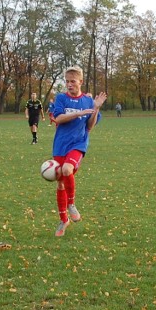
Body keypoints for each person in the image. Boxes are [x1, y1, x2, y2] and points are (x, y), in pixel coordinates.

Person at [51, 66, 107, 237]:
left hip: (78, 144)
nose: (69, 84)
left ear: (80, 82)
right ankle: (63, 220)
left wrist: (95, 107)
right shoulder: (61, 99)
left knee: (67, 170)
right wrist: (78, 113)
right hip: (60, 145)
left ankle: (72, 204)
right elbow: (59, 118)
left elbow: (89, 127)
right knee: (60, 182)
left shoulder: (88, 101)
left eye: (73, 81)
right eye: (67, 81)